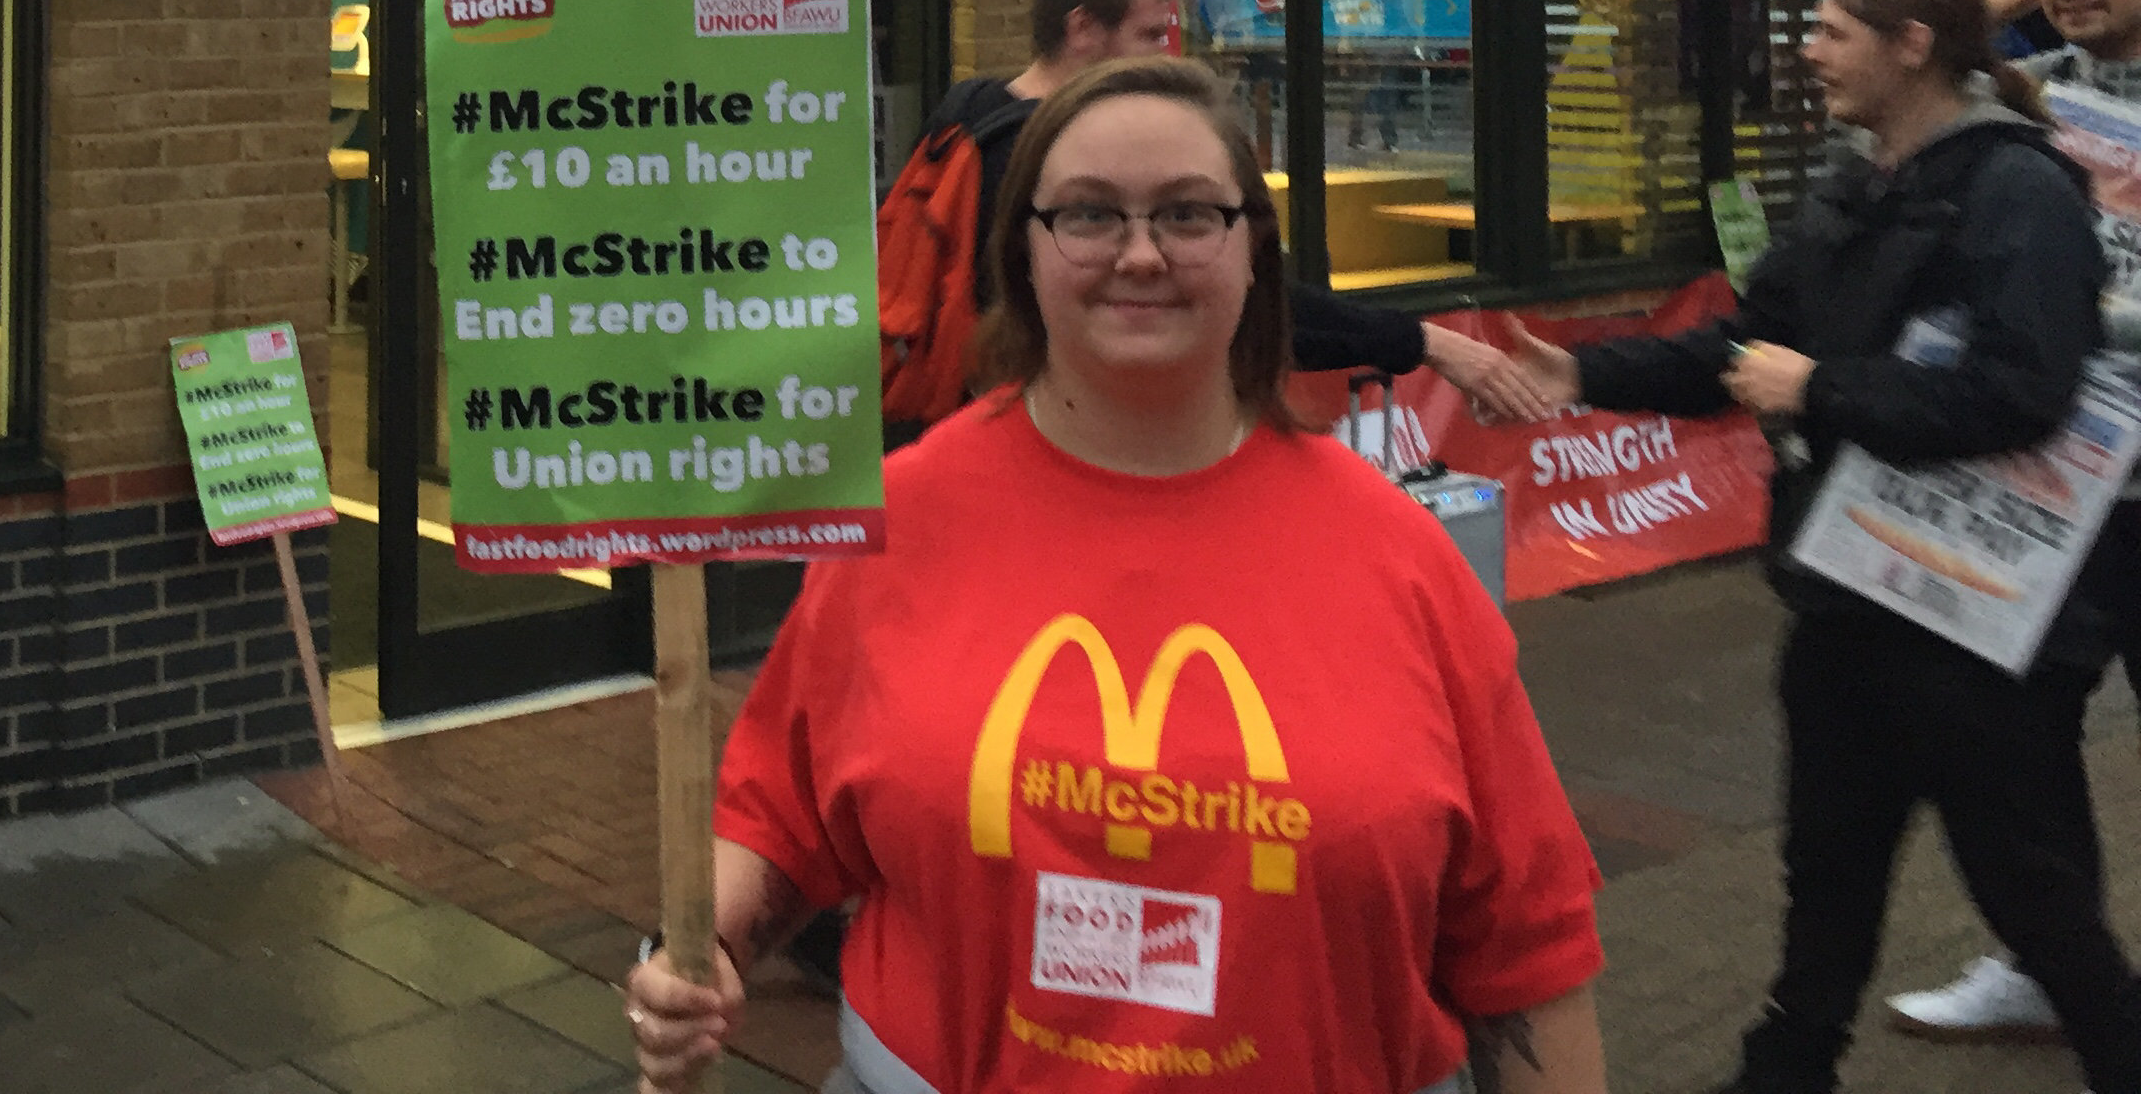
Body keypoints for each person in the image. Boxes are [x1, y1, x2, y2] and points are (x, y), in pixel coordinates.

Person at [631, 56, 1609, 1094]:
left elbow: (1526, 947)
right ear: (1023, 252)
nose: (1140, 255)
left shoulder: (1400, 558)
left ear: (1253, 252)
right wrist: (704, 952)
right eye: (1089, 216)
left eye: (1189, 215)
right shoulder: (904, 523)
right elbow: (780, 819)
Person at [1500, 0, 2140, 1094]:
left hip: (1977, 630)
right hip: (1846, 597)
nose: (1808, 50)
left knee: (2037, 901)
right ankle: (1783, 1072)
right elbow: (1749, 347)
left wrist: (1823, 392)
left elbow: (2026, 391)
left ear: (1911, 47)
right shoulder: (1857, 185)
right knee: (1826, 871)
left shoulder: (2021, 190)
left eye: (1834, 30)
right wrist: (1586, 377)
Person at [912, 0, 1553, 422]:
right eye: (1148, 35)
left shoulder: (968, 114)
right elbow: (1248, 303)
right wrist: (1422, 341)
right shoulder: (1039, 154)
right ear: (1082, 27)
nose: (1167, 53)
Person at [1889, 0, 2141, 1044]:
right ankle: (2048, 960)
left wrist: (2066, 309)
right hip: (2053, 492)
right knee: (2018, 745)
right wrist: (2008, 2)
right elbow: (1916, 62)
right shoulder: (2034, 96)